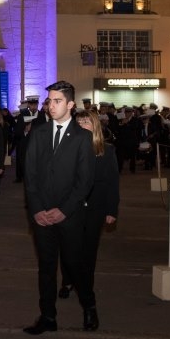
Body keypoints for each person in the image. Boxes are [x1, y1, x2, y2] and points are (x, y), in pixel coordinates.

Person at [22, 80, 97, 336]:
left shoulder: (83, 137)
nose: (51, 106)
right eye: (49, 101)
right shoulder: (39, 133)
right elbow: (29, 176)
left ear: (70, 105)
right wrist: (37, 210)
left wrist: (64, 210)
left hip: (70, 215)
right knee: (46, 266)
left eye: (57, 101)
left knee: (75, 265)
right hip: (42, 215)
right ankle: (47, 316)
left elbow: (84, 182)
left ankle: (89, 305)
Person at [60, 108, 119, 300]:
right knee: (69, 246)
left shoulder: (107, 151)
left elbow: (112, 183)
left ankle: (87, 287)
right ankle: (67, 280)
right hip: (72, 206)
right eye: (79, 123)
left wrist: (111, 210)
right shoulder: (67, 149)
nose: (83, 126)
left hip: (96, 206)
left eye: (86, 122)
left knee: (89, 248)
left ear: (95, 126)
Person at [12, 96, 40, 182]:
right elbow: (17, 132)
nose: (33, 107)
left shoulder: (42, 115)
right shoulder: (22, 116)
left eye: (35, 104)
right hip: (25, 143)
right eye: (31, 105)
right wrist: (25, 130)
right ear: (28, 105)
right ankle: (23, 177)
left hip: (38, 144)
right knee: (23, 161)